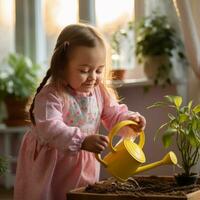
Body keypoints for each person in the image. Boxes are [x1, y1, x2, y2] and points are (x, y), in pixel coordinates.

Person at [14, 23, 146, 200]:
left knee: (81, 195)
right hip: (51, 165)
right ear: (61, 66)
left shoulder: (99, 92)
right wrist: (82, 140)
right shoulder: (51, 95)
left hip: (82, 163)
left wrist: (130, 121)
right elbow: (50, 129)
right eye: (84, 70)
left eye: (99, 70)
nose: (93, 77)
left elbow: (114, 114)